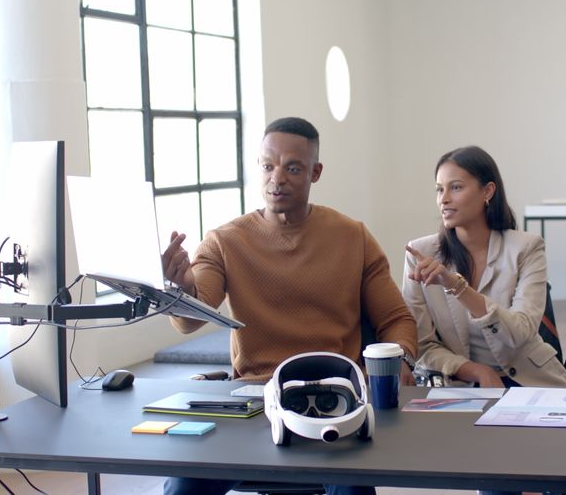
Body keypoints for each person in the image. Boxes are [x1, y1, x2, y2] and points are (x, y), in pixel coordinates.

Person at [160, 116, 418, 495]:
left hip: (334, 398)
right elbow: (189, 321)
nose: (276, 179)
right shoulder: (225, 241)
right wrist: (180, 290)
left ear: (316, 172)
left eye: (293, 168)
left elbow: (396, 319)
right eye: (268, 166)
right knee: (183, 486)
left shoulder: (353, 237)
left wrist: (402, 361)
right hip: (255, 399)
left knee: (351, 488)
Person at [403, 146, 566, 390]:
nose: (444, 199)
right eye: (439, 189)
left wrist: (457, 287)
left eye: (456, 187)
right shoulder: (420, 254)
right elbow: (422, 345)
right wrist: (477, 371)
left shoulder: (527, 248)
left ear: (488, 191)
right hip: (461, 385)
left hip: (531, 381)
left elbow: (521, 332)